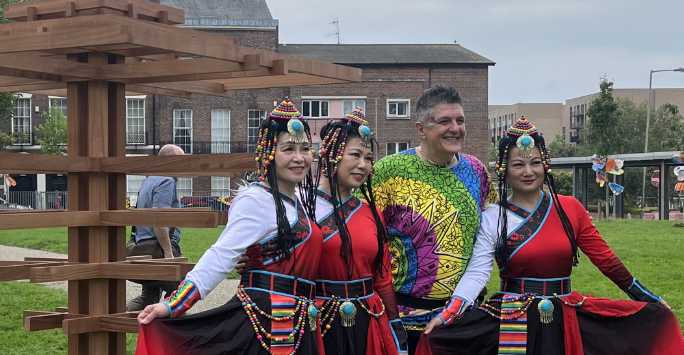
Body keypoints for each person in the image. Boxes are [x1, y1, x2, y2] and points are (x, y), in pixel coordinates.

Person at [419, 116, 683, 355]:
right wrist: (449, 314)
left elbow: (607, 261)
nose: (528, 172)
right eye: (518, 164)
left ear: (545, 165)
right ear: (503, 169)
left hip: (564, 314)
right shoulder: (492, 217)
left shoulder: (569, 208)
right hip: (513, 315)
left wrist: (647, 298)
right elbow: (478, 272)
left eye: (535, 163)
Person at [135, 99, 323, 355]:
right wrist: (172, 305)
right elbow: (220, 256)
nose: (299, 158)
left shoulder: (300, 199)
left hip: (301, 320)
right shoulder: (255, 200)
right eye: (288, 149)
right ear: (268, 152)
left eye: (305, 149)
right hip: (267, 321)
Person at [371, 85, 496, 353]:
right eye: (444, 121)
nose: (455, 128)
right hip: (404, 322)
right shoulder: (387, 172)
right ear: (421, 129)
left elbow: (489, 236)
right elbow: (366, 240)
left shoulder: (477, 171)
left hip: (464, 319)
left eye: (460, 120)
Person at [314, 108, 408, 354]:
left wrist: (394, 324)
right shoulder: (303, 210)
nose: (363, 165)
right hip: (319, 322)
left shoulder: (371, 213)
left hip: (369, 320)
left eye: (368, 158)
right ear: (332, 155)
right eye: (355, 155)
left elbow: (383, 277)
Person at [127, 144, 185, 312]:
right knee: (182, 293)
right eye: (182, 161)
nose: (185, 166)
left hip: (142, 246)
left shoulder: (148, 180)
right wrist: (168, 253)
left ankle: (117, 319)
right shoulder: (166, 181)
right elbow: (159, 219)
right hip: (157, 249)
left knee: (148, 297)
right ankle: (175, 336)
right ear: (170, 161)